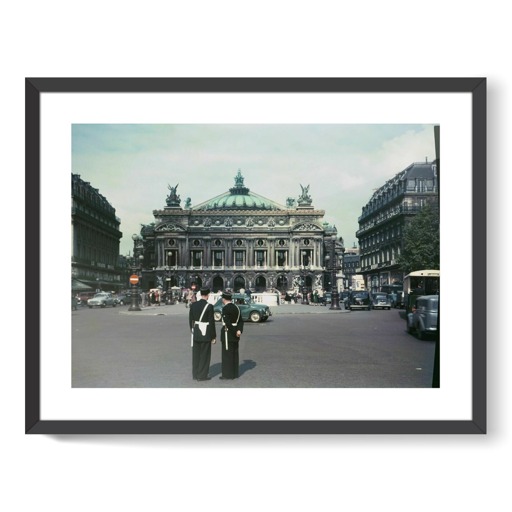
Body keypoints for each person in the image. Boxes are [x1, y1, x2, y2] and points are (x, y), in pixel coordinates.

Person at [188, 287, 217, 381]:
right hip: (206, 333)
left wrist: (193, 330)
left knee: (196, 355)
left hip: (196, 332)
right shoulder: (209, 306)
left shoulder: (193, 305)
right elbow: (211, 323)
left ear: (200, 295)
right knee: (205, 355)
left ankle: (195, 374)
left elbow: (190, 320)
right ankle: (202, 375)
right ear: (207, 295)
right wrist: (213, 336)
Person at [219, 292, 244, 380]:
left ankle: (227, 375)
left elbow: (227, 323)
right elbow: (241, 321)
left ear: (224, 299)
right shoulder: (236, 307)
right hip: (236, 333)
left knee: (227, 355)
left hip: (228, 333)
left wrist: (234, 331)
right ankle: (235, 373)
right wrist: (239, 330)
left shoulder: (225, 308)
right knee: (235, 353)